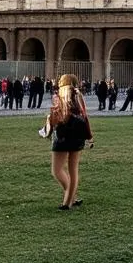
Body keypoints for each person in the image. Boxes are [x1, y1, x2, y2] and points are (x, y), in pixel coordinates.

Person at [42, 73, 94, 210]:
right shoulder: (79, 96)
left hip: (63, 135)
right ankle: (70, 200)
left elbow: (57, 117)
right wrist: (90, 137)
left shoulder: (60, 96)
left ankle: (68, 200)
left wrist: (49, 121)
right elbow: (85, 117)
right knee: (73, 170)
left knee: (57, 170)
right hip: (78, 135)